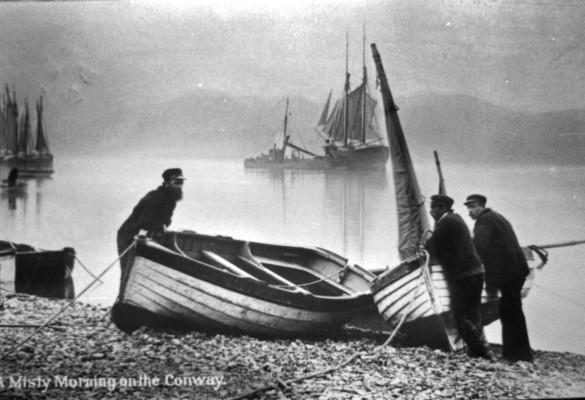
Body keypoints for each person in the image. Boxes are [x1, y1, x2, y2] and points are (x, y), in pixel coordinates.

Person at [464, 194, 533, 363]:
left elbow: (479, 246)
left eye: (472, 207)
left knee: (509, 311)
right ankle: (522, 354)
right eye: (468, 208)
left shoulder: (484, 221)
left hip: (508, 272)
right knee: (514, 311)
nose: (470, 212)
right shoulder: (497, 217)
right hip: (517, 269)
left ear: (480, 206)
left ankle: (513, 356)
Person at [428, 194, 493, 360]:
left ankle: (482, 351)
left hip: (463, 277)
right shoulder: (455, 219)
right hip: (476, 273)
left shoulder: (446, 222)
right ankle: (478, 351)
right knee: (473, 314)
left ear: (442, 208)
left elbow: (433, 245)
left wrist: (422, 247)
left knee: (459, 315)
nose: (430, 211)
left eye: (434, 208)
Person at [116, 168, 185, 280]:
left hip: (145, 235)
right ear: (166, 183)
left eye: (181, 183)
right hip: (130, 235)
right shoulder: (156, 198)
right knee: (128, 270)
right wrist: (161, 227)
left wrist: (163, 227)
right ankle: (122, 295)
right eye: (176, 183)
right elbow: (144, 222)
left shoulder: (170, 200)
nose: (179, 186)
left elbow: (165, 221)